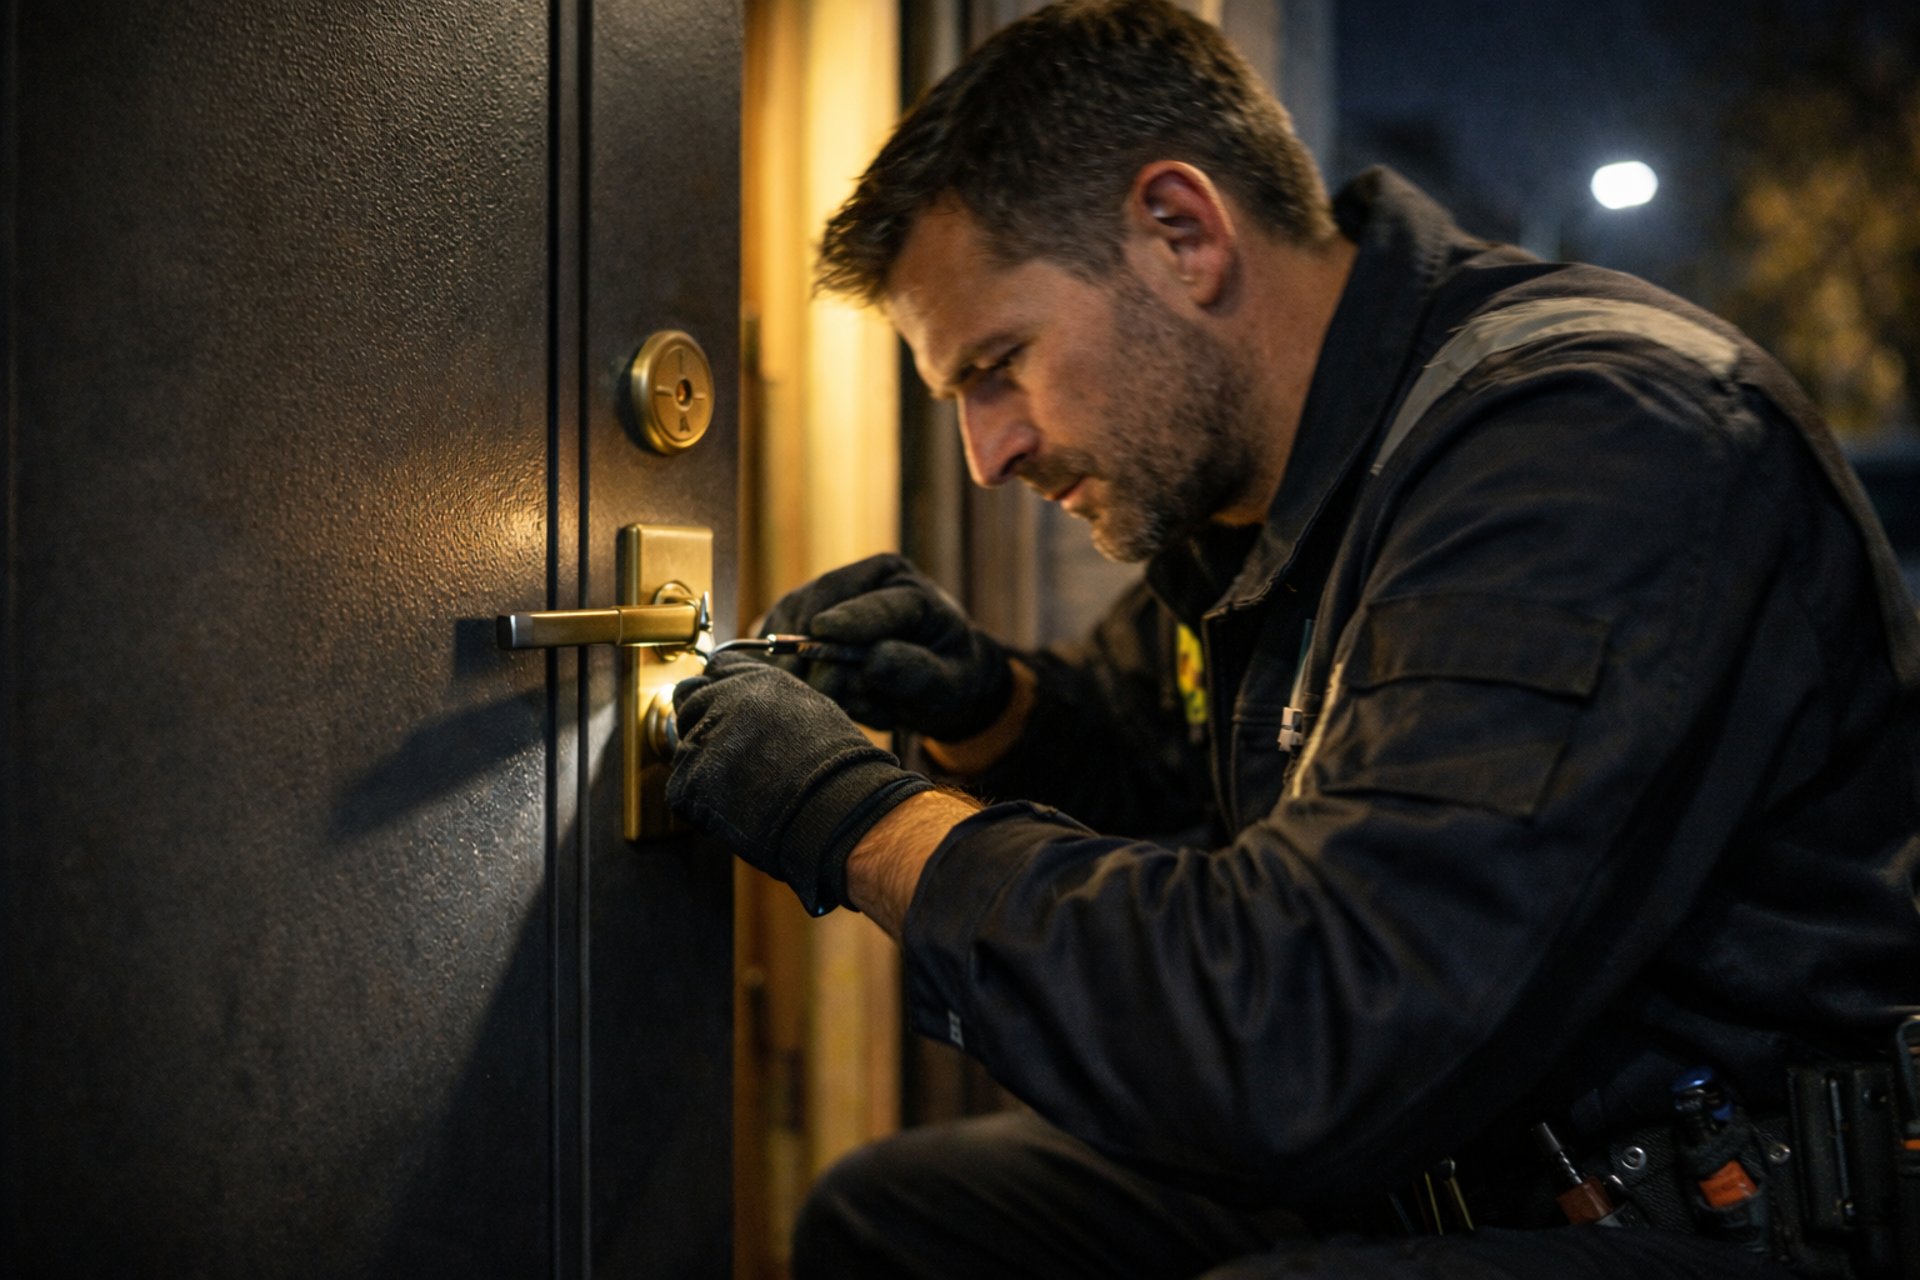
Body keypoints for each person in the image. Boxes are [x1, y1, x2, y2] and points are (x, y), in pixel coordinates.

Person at [665, 1, 1920, 1276]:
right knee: (906, 1213)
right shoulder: (1271, 493)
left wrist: (859, 819)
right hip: (1449, 1160)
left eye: (1001, 364)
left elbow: (1313, 1030)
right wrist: (990, 710)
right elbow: (1180, 777)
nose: (989, 455)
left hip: (1728, 1218)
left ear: (1181, 233)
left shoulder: (1583, 454)